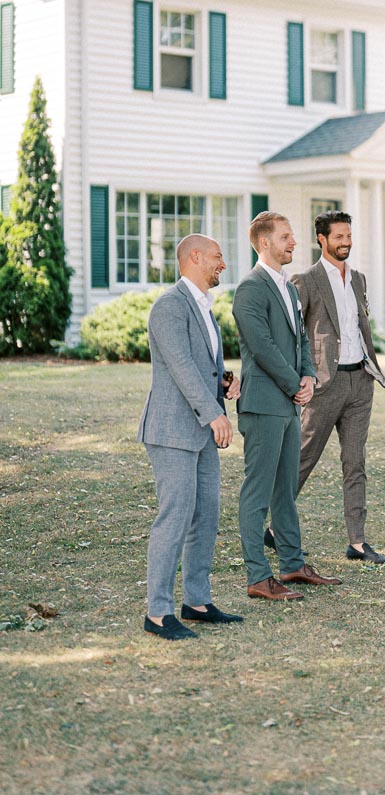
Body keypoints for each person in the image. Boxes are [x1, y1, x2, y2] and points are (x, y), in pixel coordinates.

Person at [138, 235, 244, 641]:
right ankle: (158, 612)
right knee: (176, 516)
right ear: (195, 258)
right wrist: (215, 413)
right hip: (171, 431)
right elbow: (180, 367)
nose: (223, 263)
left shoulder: (204, 308)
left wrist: (225, 382)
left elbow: (202, 367)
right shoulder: (169, 306)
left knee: (206, 516)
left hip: (199, 430)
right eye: (218, 257)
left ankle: (196, 602)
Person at [232, 211, 340, 600]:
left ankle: (292, 565)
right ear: (264, 243)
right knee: (257, 493)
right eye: (286, 237)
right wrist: (295, 383)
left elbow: (300, 343)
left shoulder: (290, 289)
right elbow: (261, 347)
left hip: (290, 404)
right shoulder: (250, 288)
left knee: (284, 491)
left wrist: (309, 376)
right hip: (262, 404)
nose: (294, 242)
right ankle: (258, 577)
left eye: (292, 236)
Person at [282, 209, 385, 565]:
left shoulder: (358, 279)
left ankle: (357, 543)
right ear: (322, 239)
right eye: (339, 237)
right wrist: (301, 376)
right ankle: (272, 526)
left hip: (360, 381)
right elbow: (294, 333)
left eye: (348, 236)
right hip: (324, 385)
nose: (346, 242)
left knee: (355, 461)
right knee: (302, 458)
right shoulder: (307, 280)